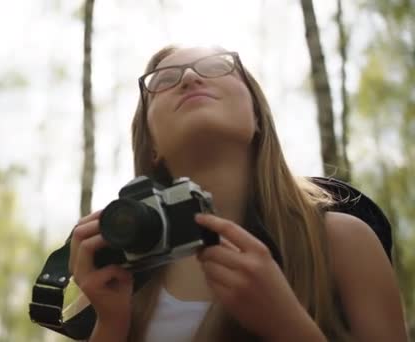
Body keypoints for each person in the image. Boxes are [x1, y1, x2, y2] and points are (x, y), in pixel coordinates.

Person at [68, 46, 408, 341]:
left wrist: (285, 325)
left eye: (217, 66)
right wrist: (110, 326)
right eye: (164, 81)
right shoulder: (117, 268)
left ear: (257, 116)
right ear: (152, 143)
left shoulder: (342, 240)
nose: (189, 78)